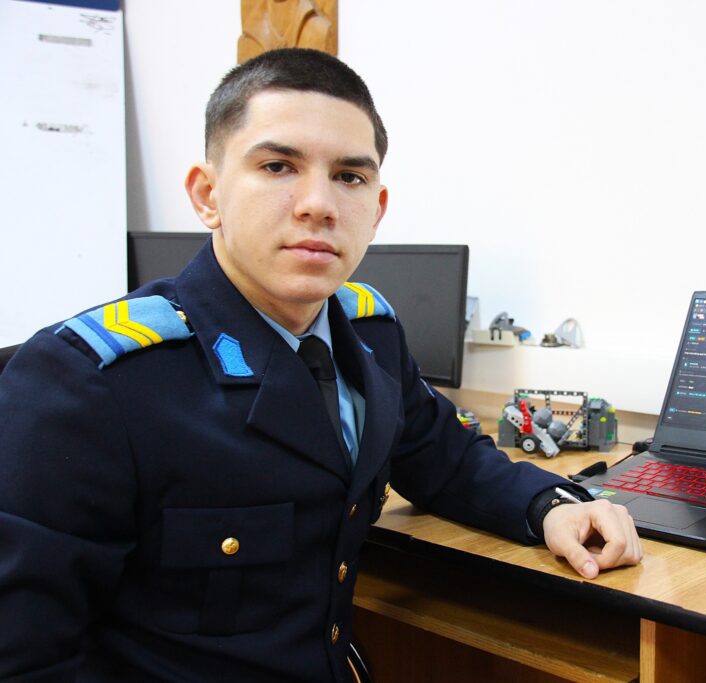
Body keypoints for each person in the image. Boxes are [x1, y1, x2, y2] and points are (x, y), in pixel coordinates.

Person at [0, 48, 642, 681]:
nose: (319, 204)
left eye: (349, 177)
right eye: (278, 166)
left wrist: (552, 505)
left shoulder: (368, 331)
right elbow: (27, 655)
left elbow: (444, 457)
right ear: (207, 194)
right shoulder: (87, 383)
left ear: (377, 209)